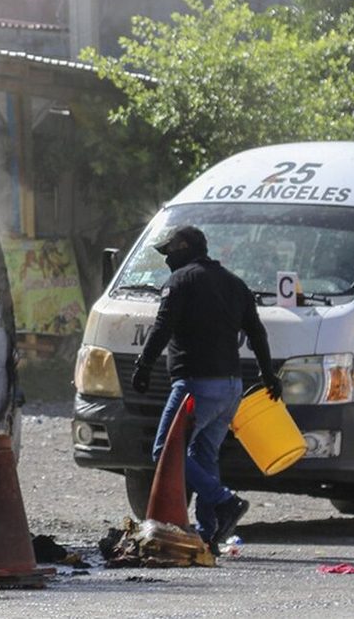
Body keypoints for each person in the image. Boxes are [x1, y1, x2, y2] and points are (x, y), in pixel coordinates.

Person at [130, 225, 283, 551]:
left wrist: (143, 366)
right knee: (204, 454)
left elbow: (162, 327)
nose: (167, 259)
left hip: (196, 385)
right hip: (231, 389)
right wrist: (268, 374)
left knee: (163, 451)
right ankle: (209, 534)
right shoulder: (234, 283)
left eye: (169, 251)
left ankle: (224, 501)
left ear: (185, 246)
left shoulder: (181, 281)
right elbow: (257, 333)